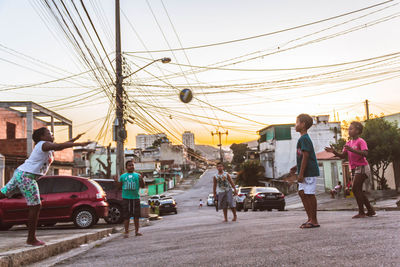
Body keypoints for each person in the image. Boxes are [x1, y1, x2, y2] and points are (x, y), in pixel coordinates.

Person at [0, 127, 89, 246]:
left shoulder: (46, 146)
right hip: (26, 177)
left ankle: (31, 238)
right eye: (49, 133)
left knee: (2, 194)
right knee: (36, 206)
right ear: (42, 137)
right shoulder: (43, 144)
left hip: (21, 173)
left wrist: (75, 139)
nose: (52, 134)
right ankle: (31, 239)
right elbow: (60, 146)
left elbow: (60, 145)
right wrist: (81, 143)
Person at [325, 121, 376, 218]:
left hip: (362, 167)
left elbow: (365, 153)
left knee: (355, 189)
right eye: (349, 129)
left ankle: (361, 212)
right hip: (354, 169)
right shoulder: (348, 143)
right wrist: (334, 152)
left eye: (351, 129)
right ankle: (370, 210)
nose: (349, 130)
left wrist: (352, 150)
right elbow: (342, 156)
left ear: (357, 131)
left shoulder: (361, 141)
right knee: (358, 190)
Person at [290, 114, 320, 229]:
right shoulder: (302, 138)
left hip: (309, 172)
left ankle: (314, 220)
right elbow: (302, 157)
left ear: (303, 125)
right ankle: (309, 218)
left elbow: (306, 156)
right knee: (302, 193)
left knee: (309, 194)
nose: (295, 125)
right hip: (304, 171)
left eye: (297, 122)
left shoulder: (305, 138)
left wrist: (301, 173)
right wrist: (296, 168)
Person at [114, 160, 145, 238]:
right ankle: (126, 232)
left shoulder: (138, 175)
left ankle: (137, 231)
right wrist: (116, 181)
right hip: (126, 198)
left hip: (136, 198)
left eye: (132, 165)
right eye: (129, 165)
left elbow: (143, 186)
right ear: (126, 167)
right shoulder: (123, 176)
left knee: (136, 216)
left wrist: (142, 179)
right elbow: (119, 187)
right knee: (126, 216)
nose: (131, 166)